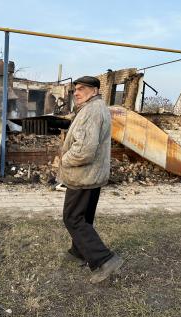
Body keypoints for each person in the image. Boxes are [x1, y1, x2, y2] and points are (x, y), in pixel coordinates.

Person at [58, 76, 123, 284]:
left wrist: (64, 159)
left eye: (82, 89)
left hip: (83, 175)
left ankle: (104, 260)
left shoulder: (91, 111)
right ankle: (78, 252)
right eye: (75, 89)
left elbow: (84, 151)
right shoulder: (98, 107)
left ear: (94, 91)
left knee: (72, 218)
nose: (76, 92)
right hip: (92, 175)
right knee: (83, 218)